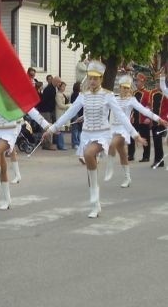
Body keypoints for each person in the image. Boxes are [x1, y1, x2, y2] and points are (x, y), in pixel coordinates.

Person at [43, 61, 146, 218]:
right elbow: (69, 114)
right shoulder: (83, 96)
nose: (92, 81)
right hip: (86, 135)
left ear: (101, 79)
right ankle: (95, 203)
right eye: (90, 78)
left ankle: (95, 198)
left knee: (89, 154)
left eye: (95, 78)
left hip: (102, 134)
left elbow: (121, 116)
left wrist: (135, 135)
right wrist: (52, 129)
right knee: (89, 167)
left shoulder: (108, 96)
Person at [104, 75, 167, 187]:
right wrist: (85, 117)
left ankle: (109, 168)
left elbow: (145, 111)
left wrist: (159, 119)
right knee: (123, 155)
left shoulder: (131, 100)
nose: (126, 90)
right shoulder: (114, 98)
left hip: (124, 129)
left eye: (128, 88)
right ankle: (127, 178)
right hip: (112, 128)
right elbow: (102, 109)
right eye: (124, 87)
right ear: (120, 87)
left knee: (113, 144)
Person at [0, 108, 50, 210]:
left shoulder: (16, 93)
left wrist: (46, 125)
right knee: (1, 163)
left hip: (10, 127)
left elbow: (30, 109)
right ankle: (6, 200)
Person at [127, 73, 151, 162]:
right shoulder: (134, 93)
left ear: (143, 81)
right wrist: (131, 116)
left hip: (144, 119)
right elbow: (131, 106)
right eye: (136, 81)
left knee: (145, 137)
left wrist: (149, 118)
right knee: (131, 136)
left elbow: (150, 106)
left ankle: (146, 156)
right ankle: (130, 154)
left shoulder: (148, 93)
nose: (137, 83)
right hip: (135, 118)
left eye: (138, 81)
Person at [39, 75, 61, 149]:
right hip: (46, 110)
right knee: (47, 127)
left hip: (49, 110)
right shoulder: (48, 89)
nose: (60, 84)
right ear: (55, 82)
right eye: (59, 83)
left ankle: (46, 144)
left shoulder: (53, 89)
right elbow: (44, 100)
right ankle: (47, 144)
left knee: (48, 127)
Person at [54, 81, 70, 150]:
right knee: (60, 129)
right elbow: (60, 105)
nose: (64, 88)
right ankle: (60, 145)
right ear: (59, 87)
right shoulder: (58, 95)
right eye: (63, 87)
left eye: (64, 87)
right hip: (60, 113)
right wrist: (68, 105)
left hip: (64, 113)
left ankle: (61, 144)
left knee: (63, 129)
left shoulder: (62, 94)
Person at [70, 81, 83, 149]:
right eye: (80, 86)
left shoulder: (81, 94)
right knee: (75, 128)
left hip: (81, 113)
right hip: (76, 113)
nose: (81, 87)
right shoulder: (75, 94)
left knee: (80, 128)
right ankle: (75, 143)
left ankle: (79, 141)